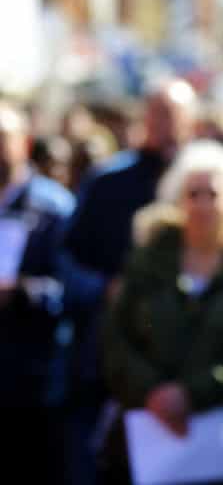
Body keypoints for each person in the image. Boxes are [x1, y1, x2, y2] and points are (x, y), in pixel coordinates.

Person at [101, 140, 223, 483]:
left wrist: (193, 393)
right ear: (178, 199)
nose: (203, 204)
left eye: (213, 194)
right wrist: (153, 393)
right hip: (149, 430)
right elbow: (118, 336)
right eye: (193, 193)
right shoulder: (150, 257)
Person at [59, 78, 198, 484]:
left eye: (173, 114)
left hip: (185, 361)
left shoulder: (205, 181)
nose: (165, 123)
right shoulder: (108, 181)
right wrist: (104, 289)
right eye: (157, 113)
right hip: (110, 359)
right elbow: (67, 260)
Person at [0, 103, 76, 484]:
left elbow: (71, 287)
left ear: (23, 144)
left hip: (32, 377)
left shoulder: (55, 207)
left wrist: (22, 291)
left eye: (2, 140)